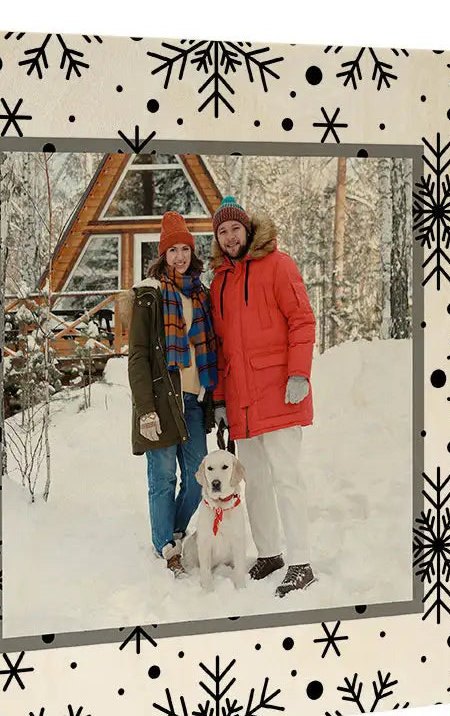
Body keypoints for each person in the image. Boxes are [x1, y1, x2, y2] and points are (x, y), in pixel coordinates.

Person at [209, 196, 317, 597]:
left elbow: (302, 319)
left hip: (280, 394)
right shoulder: (219, 283)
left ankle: (301, 561)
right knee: (253, 483)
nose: (230, 236)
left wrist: (299, 373)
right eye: (222, 231)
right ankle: (270, 553)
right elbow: (221, 348)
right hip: (242, 402)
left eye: (235, 228)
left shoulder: (278, 265)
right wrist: (220, 399)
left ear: (247, 229)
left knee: (286, 479)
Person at [126, 211, 217, 577]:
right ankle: (166, 544)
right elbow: (139, 356)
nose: (179, 256)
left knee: (198, 476)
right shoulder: (150, 294)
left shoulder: (201, 293)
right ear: (162, 254)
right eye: (172, 250)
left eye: (185, 249)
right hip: (163, 401)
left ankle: (175, 530)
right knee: (162, 477)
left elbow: (213, 346)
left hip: (194, 398)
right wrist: (145, 408)